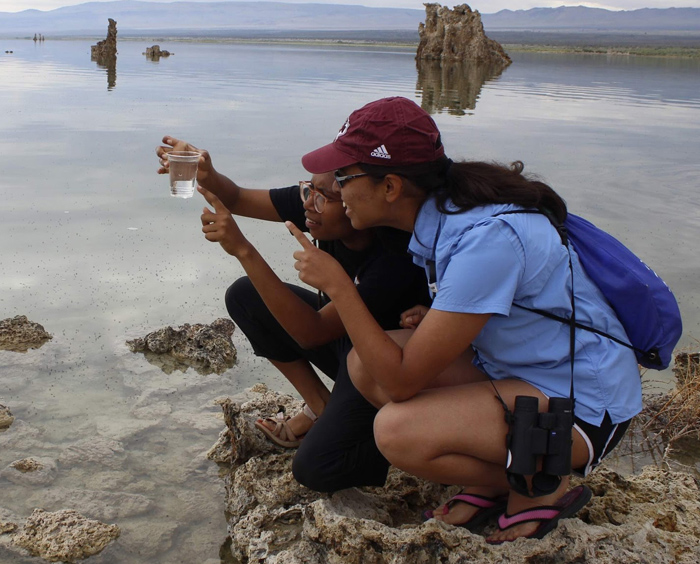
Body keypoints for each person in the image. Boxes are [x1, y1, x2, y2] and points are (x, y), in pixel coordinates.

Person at [284, 97, 643, 542]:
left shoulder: (487, 239)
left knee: (396, 433)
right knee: (362, 364)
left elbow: (401, 384)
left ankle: (539, 484)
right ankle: (503, 475)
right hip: (521, 371)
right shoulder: (451, 216)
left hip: (581, 405)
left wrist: (339, 286)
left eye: (343, 177)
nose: (335, 190)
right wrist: (441, 314)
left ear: (391, 186)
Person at [155, 137, 431, 492]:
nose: (309, 206)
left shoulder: (394, 258)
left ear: (353, 203)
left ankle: (386, 444)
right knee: (245, 295)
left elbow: (312, 332)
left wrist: (243, 249)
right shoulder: (317, 208)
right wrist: (208, 175)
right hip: (347, 342)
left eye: (325, 197)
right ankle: (321, 406)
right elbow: (238, 197)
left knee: (317, 468)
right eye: (306, 191)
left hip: (381, 367)